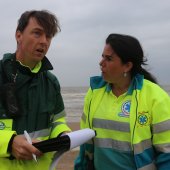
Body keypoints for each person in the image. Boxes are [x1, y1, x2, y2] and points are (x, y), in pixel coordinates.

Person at [74, 33, 170, 170]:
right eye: (102, 56)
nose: (101, 63)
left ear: (127, 66)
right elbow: (85, 144)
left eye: (109, 58)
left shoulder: (156, 97)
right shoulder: (94, 92)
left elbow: (167, 153)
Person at [0, 10, 71, 169]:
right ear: (19, 35)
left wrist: (63, 135)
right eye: (37, 33)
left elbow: (57, 121)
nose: (44, 41)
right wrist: (9, 142)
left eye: (49, 36)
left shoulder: (51, 82)